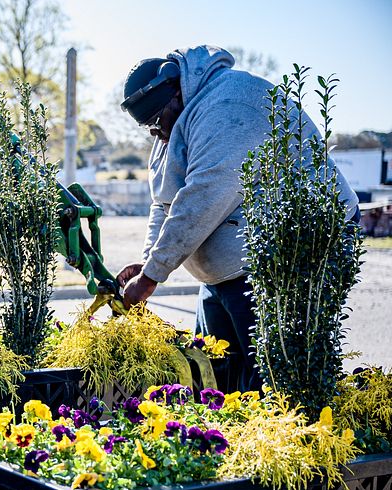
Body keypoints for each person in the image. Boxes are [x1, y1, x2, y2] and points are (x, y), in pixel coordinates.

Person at [116, 45, 359, 392]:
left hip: (284, 257)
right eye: (148, 128)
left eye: (156, 122)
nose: (155, 133)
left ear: (174, 93)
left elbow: (205, 195)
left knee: (275, 378)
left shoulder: (227, 106)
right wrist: (147, 260)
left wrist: (153, 275)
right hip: (226, 270)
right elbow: (165, 203)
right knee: (218, 376)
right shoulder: (174, 123)